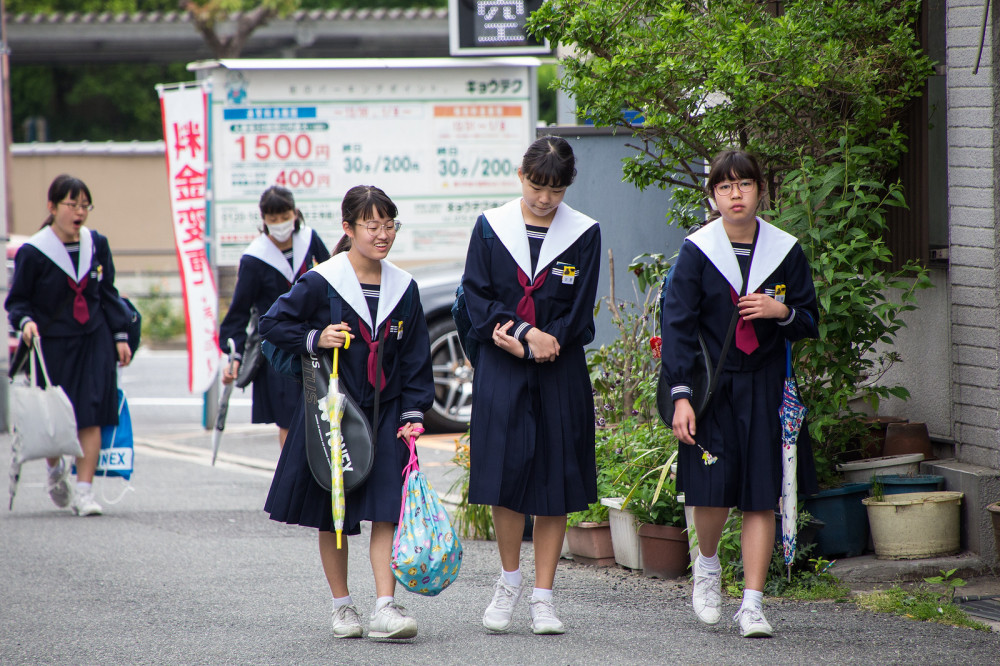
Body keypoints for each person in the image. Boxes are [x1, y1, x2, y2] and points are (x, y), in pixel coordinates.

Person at [259, 185, 434, 640]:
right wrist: (316, 337)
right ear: (349, 228)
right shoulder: (323, 280)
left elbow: (416, 357)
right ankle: (342, 607)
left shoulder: (403, 287)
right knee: (332, 513)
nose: (382, 234)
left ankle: (385, 606)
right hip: (332, 414)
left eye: (389, 225)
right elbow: (273, 324)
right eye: (372, 225)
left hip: (386, 412)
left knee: (386, 510)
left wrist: (414, 411)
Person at [660, 149, 819, 638]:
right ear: (712, 195)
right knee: (710, 493)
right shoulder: (697, 251)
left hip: (765, 384)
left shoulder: (784, 251)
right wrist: (681, 396)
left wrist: (780, 313)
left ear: (760, 190)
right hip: (712, 387)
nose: (736, 194)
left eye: (744, 185)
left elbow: (810, 320)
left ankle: (752, 602)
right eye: (725, 187)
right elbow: (677, 328)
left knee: (760, 496)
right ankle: (706, 567)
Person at [461, 135, 602, 635]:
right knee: (504, 475)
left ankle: (544, 597)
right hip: (503, 362)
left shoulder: (583, 233)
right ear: (521, 175)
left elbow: (581, 309)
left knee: (555, 478)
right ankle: (508, 581)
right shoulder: (490, 227)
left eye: (556, 190)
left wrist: (547, 341)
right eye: (537, 186)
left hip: (559, 367)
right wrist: (522, 335)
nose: (545, 199)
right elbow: (476, 297)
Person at [5, 174, 134, 516]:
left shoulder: (97, 244)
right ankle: (54, 469)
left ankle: (84, 491)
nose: (79, 212)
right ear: (51, 207)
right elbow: (18, 302)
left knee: (91, 414)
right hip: (52, 343)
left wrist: (120, 336)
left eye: (84, 205)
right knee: (57, 418)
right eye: (71, 204)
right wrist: (25, 323)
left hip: (94, 339)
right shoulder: (34, 252)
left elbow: (108, 294)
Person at [219, 186, 330, 449]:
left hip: (316, 341)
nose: (280, 224)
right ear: (264, 220)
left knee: (322, 414)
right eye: (273, 219)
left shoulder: (310, 240)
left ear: (295, 213)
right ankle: (291, 484)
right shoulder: (254, 258)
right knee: (289, 420)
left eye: (284, 216)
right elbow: (240, 310)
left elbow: (332, 278)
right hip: (278, 350)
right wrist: (233, 355)